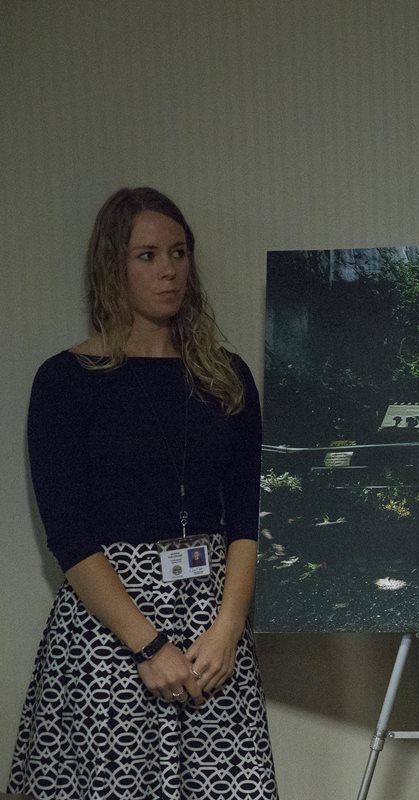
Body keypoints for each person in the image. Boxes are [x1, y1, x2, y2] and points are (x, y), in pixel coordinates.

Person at [6, 187, 277, 798]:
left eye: (179, 253)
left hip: (214, 633)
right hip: (113, 634)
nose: (169, 271)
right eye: (148, 255)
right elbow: (70, 534)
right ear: (112, 266)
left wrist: (228, 627)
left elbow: (248, 516)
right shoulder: (65, 381)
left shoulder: (227, 377)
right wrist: (148, 645)